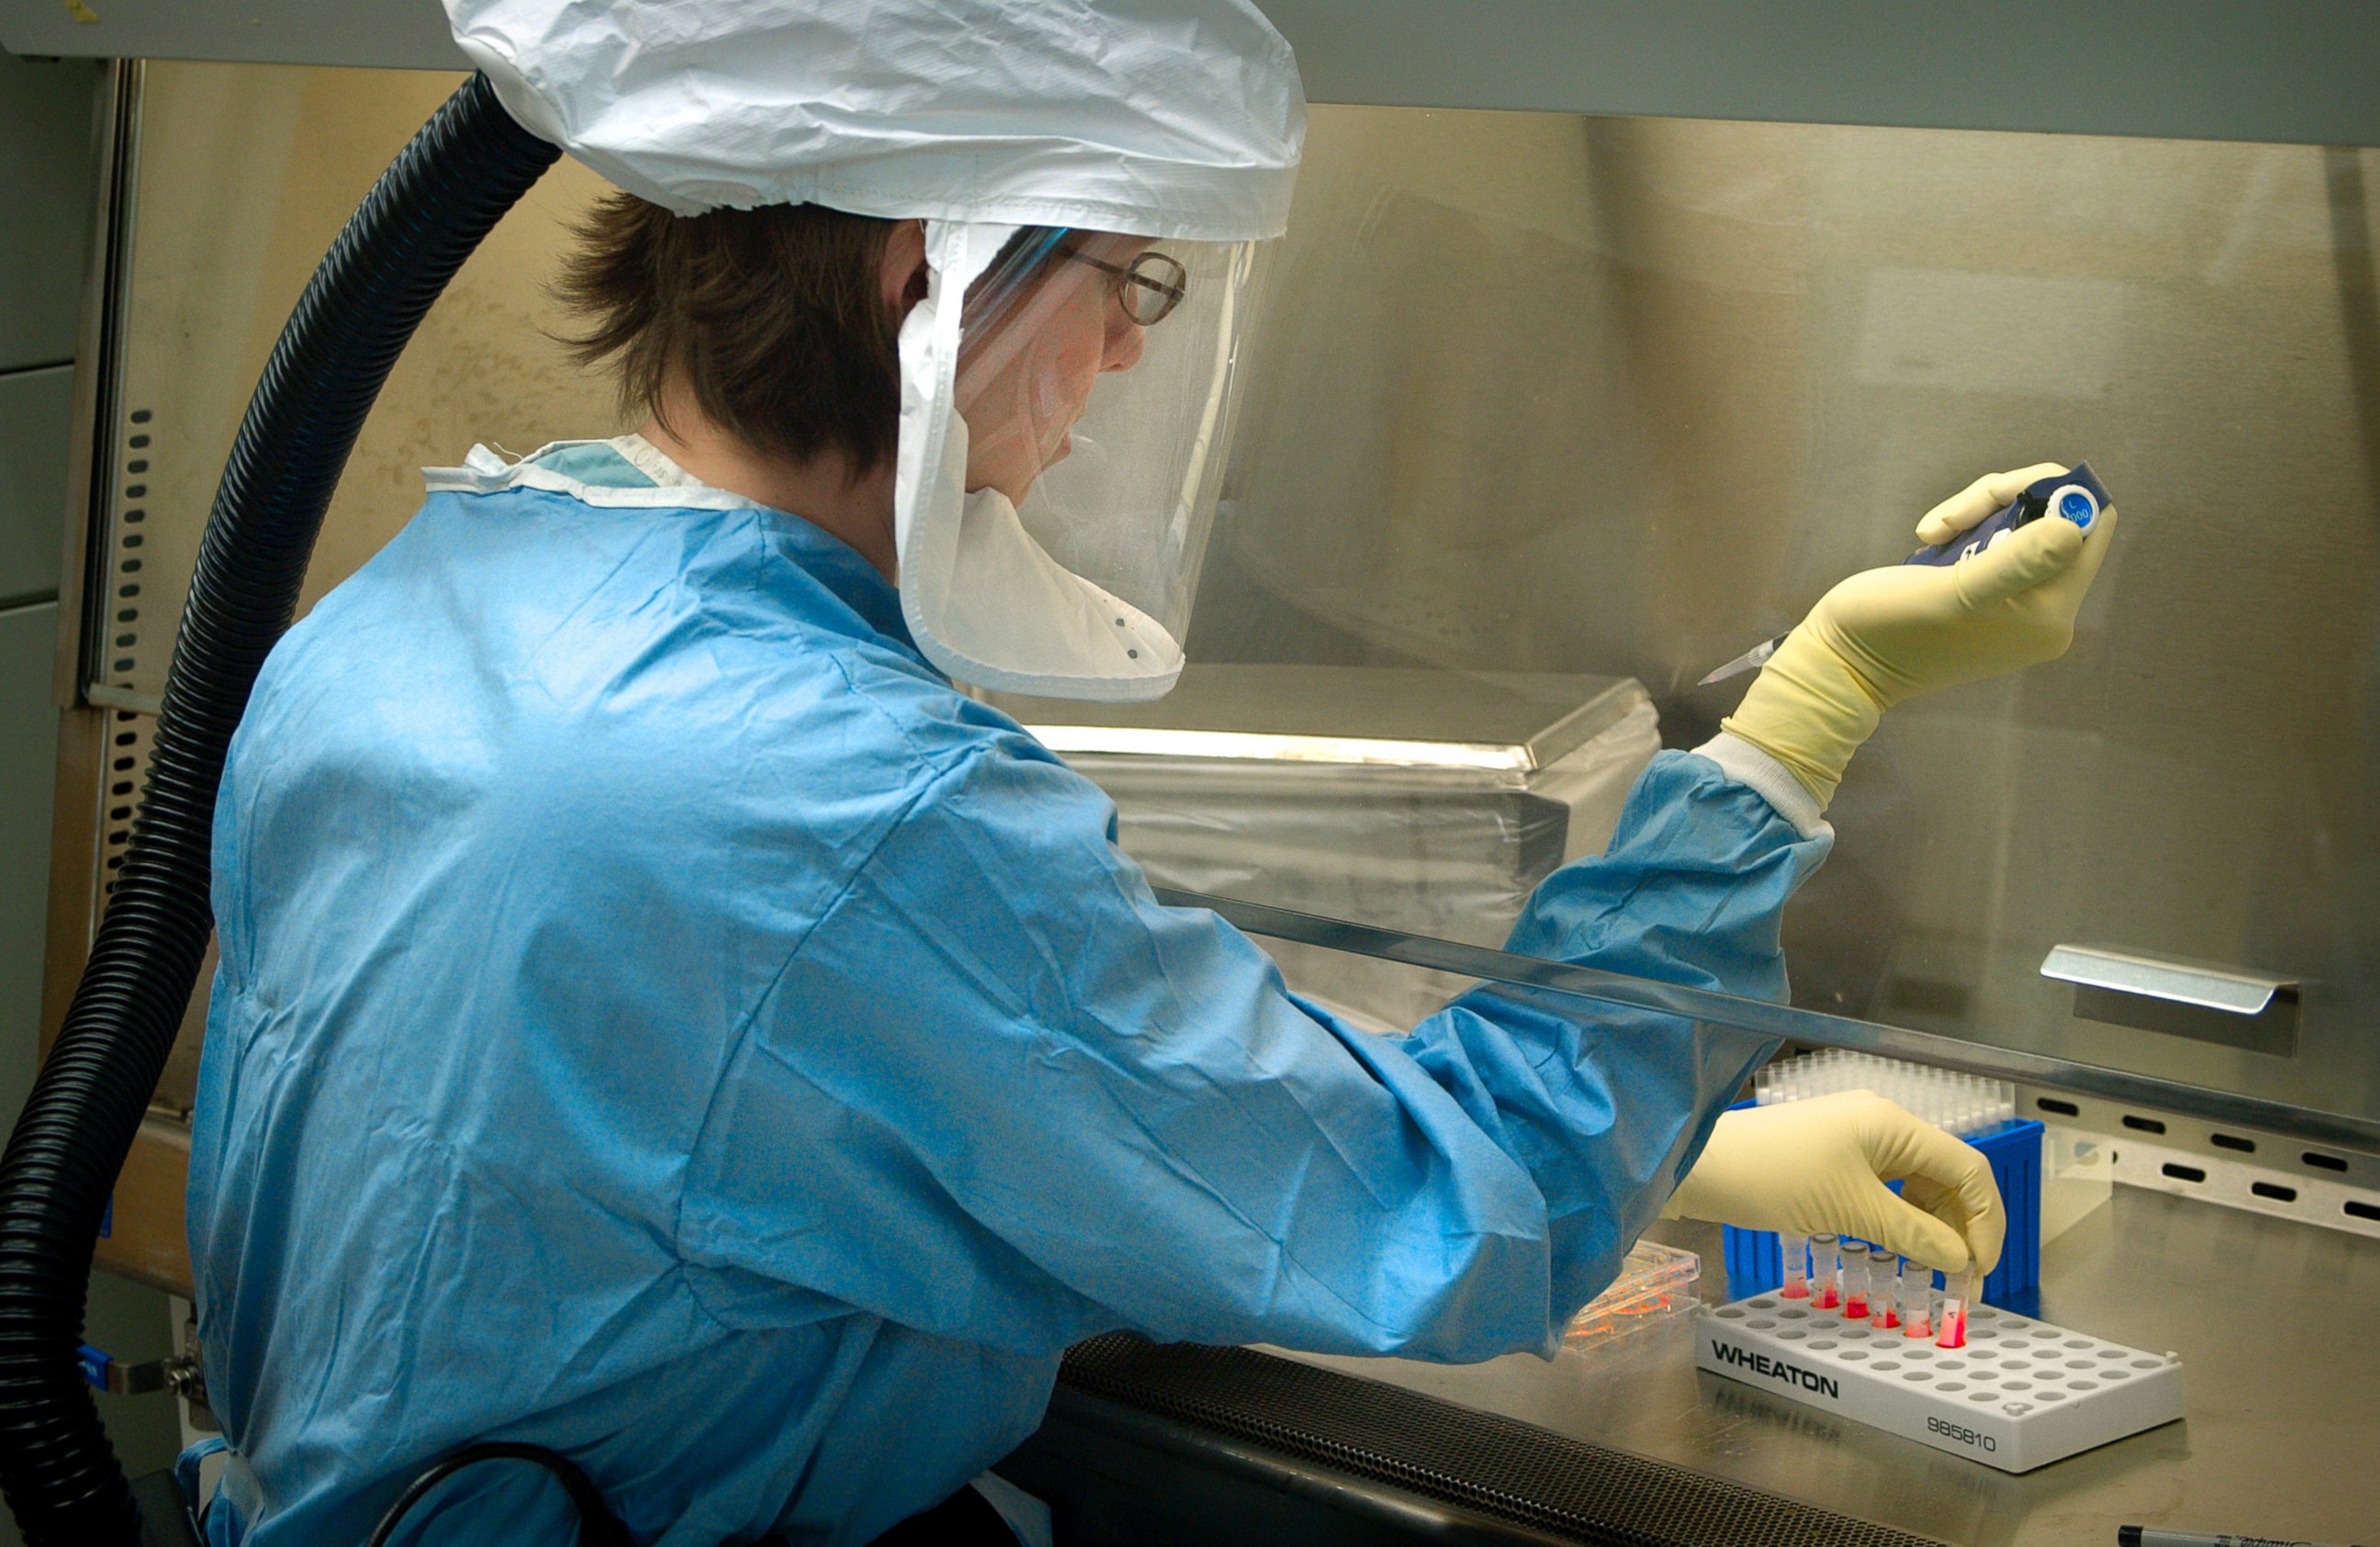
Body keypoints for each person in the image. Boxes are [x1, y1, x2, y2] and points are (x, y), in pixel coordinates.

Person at [181, 3, 2116, 1543]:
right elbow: (1484, 1212)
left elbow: (821, 1147)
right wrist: (1815, 704)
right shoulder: (842, 800)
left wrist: (1692, 1162)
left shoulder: (400, 619)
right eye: (1122, 271)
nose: (1122, 348)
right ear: (918, 284)